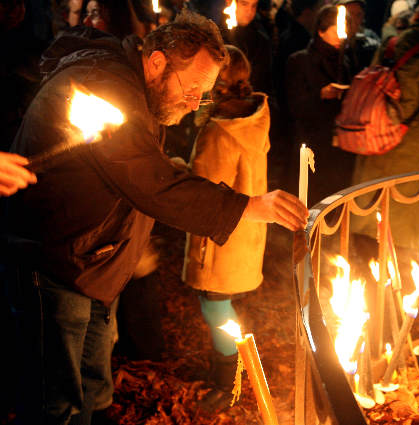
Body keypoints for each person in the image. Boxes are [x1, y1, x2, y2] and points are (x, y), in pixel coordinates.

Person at [3, 11, 307, 425]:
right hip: (55, 260)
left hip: (92, 263)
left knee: (94, 383)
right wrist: (249, 206)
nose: (195, 101)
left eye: (205, 92)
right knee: (56, 397)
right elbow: (149, 181)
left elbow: (139, 167)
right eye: (193, 87)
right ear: (158, 61)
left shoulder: (133, 87)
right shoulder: (103, 86)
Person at [181, 44, 270, 410]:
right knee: (223, 304)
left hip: (220, 238)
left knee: (216, 307)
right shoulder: (252, 118)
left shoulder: (219, 131)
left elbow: (202, 191)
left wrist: (170, 167)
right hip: (243, 232)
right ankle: (231, 373)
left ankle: (228, 381)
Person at [351, 0, 419, 270]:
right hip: (408, 170)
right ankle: (394, 310)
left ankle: (368, 305)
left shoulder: (392, 44)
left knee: (369, 247)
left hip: (374, 152)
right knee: (400, 257)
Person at [285, 4, 356, 207]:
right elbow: (294, 105)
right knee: (310, 197)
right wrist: (320, 94)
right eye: (336, 30)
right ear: (321, 30)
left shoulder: (346, 60)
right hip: (311, 141)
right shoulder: (300, 60)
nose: (341, 36)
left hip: (337, 144)